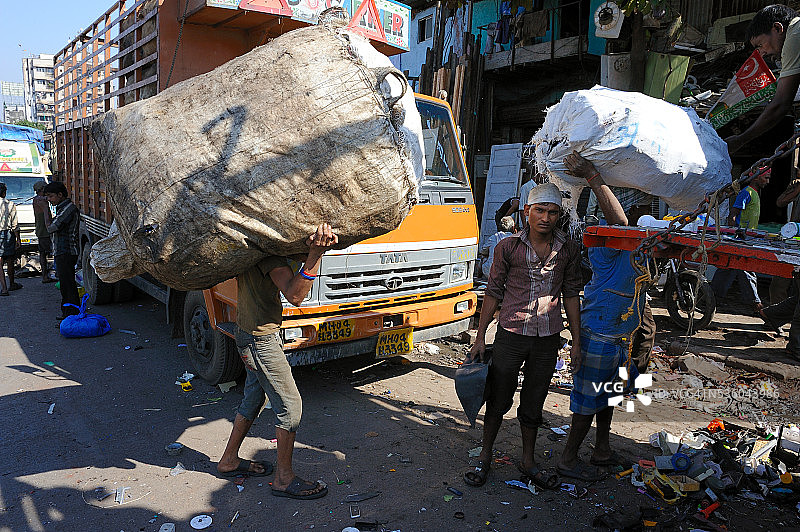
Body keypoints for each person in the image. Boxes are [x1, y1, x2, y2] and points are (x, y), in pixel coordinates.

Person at [463, 182, 582, 488]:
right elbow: (493, 292)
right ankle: (485, 456)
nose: (546, 217)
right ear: (527, 211)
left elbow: (571, 294)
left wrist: (577, 343)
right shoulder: (508, 247)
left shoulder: (567, 248)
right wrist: (479, 337)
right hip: (511, 334)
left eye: (553, 212)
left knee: (534, 402)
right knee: (498, 399)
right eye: (540, 210)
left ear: (559, 215)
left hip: (547, 338)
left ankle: (528, 461)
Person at [217, 223, 338, 500]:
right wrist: (315, 253)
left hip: (248, 333)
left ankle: (229, 461)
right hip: (260, 340)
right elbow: (295, 295)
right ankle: (284, 479)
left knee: (253, 398)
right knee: (290, 406)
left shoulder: (250, 248)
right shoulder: (268, 256)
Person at [557, 152, 652, 482]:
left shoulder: (637, 248)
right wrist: (592, 176)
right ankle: (568, 459)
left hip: (619, 339)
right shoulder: (608, 240)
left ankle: (601, 450)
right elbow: (621, 224)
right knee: (587, 403)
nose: (645, 215)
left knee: (609, 398)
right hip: (599, 335)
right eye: (640, 210)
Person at [726, 5, 800, 154]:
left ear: (778, 28)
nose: (762, 53)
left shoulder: (794, 33)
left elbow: (780, 104)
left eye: (760, 45)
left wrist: (740, 140)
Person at [710, 169, 770, 313]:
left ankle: (713, 297)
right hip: (741, 238)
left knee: (728, 268)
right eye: (766, 178)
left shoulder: (754, 193)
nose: (768, 182)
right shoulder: (746, 192)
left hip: (749, 237)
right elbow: (733, 214)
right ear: (756, 178)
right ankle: (755, 304)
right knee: (746, 268)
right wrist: (733, 235)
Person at [44, 182, 80, 318]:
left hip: (66, 252)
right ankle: (69, 313)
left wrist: (45, 210)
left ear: (60, 195)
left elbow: (51, 227)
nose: (48, 199)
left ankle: (71, 314)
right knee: (66, 285)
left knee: (68, 285)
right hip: (62, 251)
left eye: (50, 196)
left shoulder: (69, 209)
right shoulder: (62, 208)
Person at [0, 182, 22, 296]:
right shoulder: (10, 204)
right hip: (7, 234)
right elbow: (15, 224)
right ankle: (12, 283)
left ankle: (4, 289)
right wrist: (18, 239)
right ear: (4, 193)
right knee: (9, 260)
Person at [33, 180, 54, 283]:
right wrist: (50, 228)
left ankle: (45, 276)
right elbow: (46, 217)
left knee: (42, 254)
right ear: (42, 190)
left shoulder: (36, 199)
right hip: (45, 231)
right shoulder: (42, 201)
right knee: (47, 253)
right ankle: (46, 277)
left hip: (40, 230)